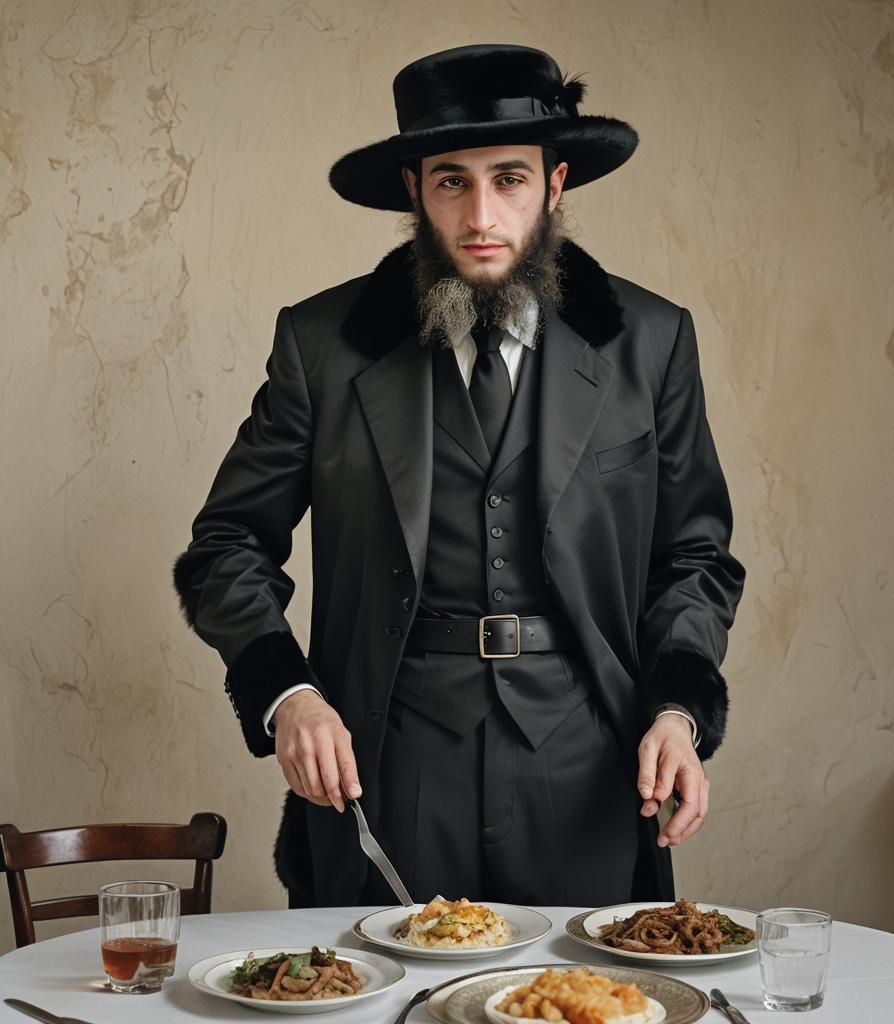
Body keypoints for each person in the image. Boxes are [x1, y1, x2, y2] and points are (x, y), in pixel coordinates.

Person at [174, 43, 745, 908]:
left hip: (587, 762)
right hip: (390, 760)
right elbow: (225, 547)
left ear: (555, 185)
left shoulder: (651, 344)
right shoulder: (322, 346)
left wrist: (677, 710)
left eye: (509, 179)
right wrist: (286, 691)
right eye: (451, 181)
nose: (482, 213)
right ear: (413, 190)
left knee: (578, 1002)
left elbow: (696, 557)